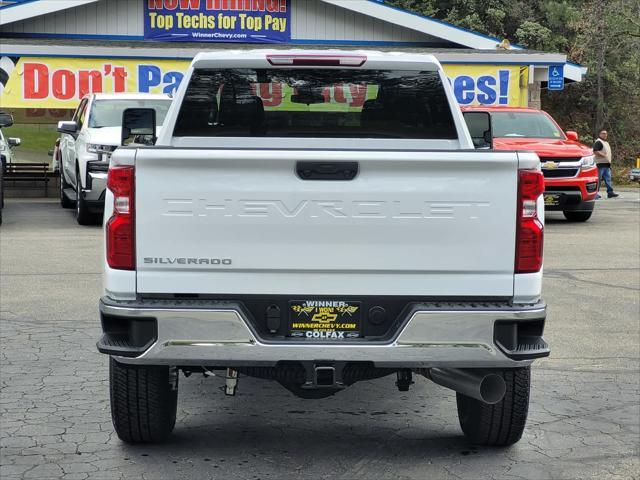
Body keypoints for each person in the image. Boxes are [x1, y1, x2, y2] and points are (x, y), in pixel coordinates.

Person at [593, 129, 619, 199]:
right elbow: (595, 151)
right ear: (600, 134)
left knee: (608, 179)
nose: (605, 135)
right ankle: (594, 194)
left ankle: (610, 193)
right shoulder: (598, 142)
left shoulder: (606, 142)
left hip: (606, 165)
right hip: (600, 165)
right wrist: (603, 155)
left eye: (606, 133)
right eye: (603, 133)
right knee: (598, 180)